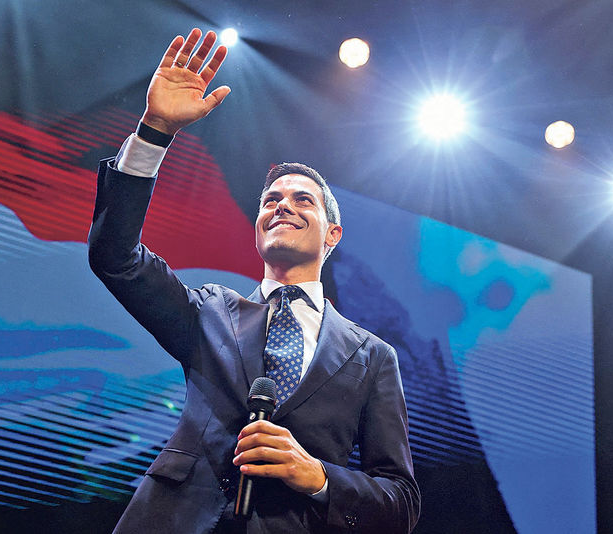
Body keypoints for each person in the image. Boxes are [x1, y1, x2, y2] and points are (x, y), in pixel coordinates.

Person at [88, 28, 420, 534]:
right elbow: (116, 258)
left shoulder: (372, 356)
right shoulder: (209, 312)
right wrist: (155, 131)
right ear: (259, 227)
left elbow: (400, 502)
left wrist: (317, 476)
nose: (282, 205)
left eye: (302, 200)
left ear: (332, 234)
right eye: (270, 200)